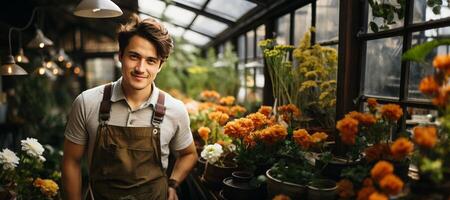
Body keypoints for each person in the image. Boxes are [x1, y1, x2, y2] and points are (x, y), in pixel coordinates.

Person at [62, 14, 197, 200]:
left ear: (160, 65)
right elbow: (71, 161)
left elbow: (189, 154)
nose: (140, 68)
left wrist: (173, 183)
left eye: (151, 60)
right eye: (134, 56)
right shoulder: (88, 102)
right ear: (120, 56)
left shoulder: (175, 109)